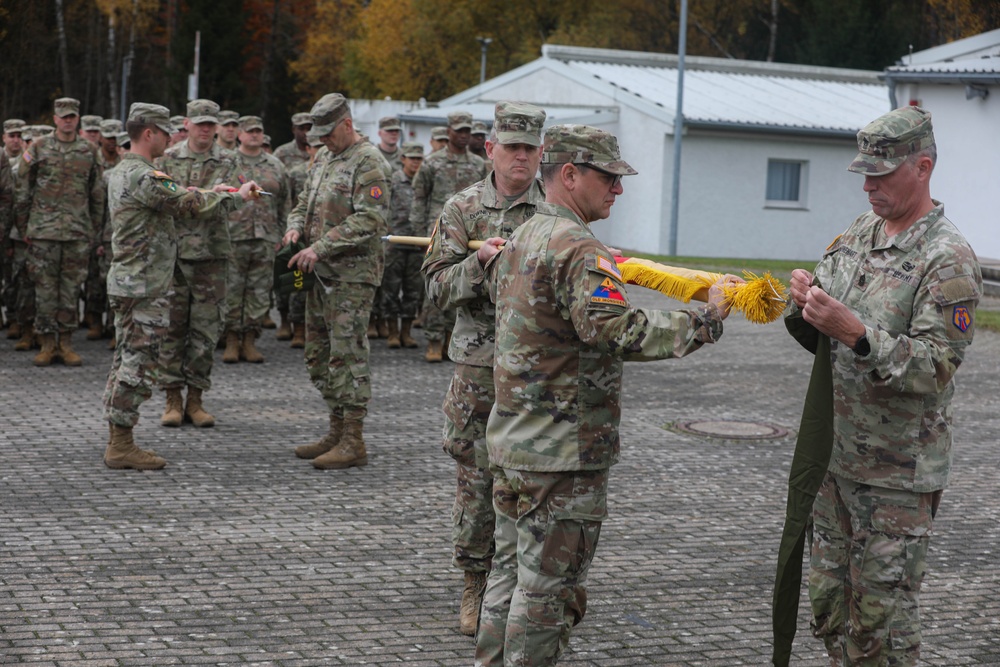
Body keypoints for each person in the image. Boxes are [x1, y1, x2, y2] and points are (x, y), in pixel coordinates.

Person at [475, 124, 737, 665]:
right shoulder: (578, 248)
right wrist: (706, 318)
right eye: (609, 177)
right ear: (570, 175)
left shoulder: (523, 234)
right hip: (561, 453)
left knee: (506, 575)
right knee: (547, 590)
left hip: (514, 439)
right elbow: (617, 330)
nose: (618, 189)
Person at [784, 106, 982, 666]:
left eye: (882, 173)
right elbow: (821, 335)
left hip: (896, 477)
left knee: (880, 625)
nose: (869, 186)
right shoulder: (857, 235)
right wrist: (804, 303)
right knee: (830, 608)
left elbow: (935, 365)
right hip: (837, 461)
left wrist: (856, 332)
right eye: (864, 174)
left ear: (922, 168)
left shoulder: (947, 259)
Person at [422, 101, 546, 636]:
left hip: (539, 369)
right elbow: (436, 286)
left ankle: (529, 585)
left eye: (530, 149)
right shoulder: (463, 207)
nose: (521, 157)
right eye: (511, 147)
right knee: (476, 480)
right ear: (490, 148)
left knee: (534, 479)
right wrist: (475, 264)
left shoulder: (556, 211)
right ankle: (475, 582)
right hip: (479, 368)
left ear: (541, 153)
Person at [102, 102, 257, 470]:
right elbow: (186, 203)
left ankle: (117, 438)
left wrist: (207, 190)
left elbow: (174, 194)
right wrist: (236, 195)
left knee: (124, 359)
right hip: (144, 285)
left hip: (130, 281)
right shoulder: (145, 175)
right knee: (138, 364)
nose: (171, 138)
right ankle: (121, 444)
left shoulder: (125, 171)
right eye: (164, 132)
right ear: (149, 133)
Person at [281, 93, 392, 470]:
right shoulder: (325, 158)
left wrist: (321, 247)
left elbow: (370, 219)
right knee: (318, 356)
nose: (324, 140)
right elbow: (302, 203)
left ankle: (353, 439)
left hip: (351, 278)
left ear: (347, 124)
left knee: (347, 355)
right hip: (319, 274)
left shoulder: (369, 162)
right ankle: (336, 428)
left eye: (329, 133)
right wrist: (295, 229)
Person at [156, 99, 237, 428]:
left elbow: (230, 202)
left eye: (209, 124)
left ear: (216, 127)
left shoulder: (229, 160)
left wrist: (191, 196)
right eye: (199, 123)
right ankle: (172, 398)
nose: (204, 129)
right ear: (186, 124)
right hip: (174, 257)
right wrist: (207, 194)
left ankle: (196, 399)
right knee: (171, 330)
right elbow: (163, 201)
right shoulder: (167, 159)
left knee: (206, 332)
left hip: (211, 258)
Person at [14, 97, 103, 367]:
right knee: (44, 289)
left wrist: (93, 229)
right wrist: (24, 226)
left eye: (72, 116)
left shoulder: (89, 150)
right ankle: (47, 343)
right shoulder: (39, 147)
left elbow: (96, 193)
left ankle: (65, 343)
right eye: (63, 117)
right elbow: (23, 188)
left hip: (76, 232)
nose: (67, 121)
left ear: (77, 119)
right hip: (43, 232)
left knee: (71, 289)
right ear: (55, 119)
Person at [409, 110, 487, 362]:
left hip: (469, 234)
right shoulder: (432, 163)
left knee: (463, 287)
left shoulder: (478, 164)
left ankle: (450, 339)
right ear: (449, 131)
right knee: (436, 285)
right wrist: (419, 232)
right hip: (437, 233)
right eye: (459, 131)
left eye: (467, 131)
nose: (464, 136)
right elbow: (419, 198)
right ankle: (433, 340)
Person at [222, 115, 290, 363]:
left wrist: (283, 234)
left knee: (259, 292)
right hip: (233, 236)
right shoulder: (227, 163)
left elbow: (285, 203)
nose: (254, 135)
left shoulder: (276, 165)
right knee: (231, 289)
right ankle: (231, 339)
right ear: (239, 134)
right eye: (249, 131)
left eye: (258, 131)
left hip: (266, 238)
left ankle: (250, 339)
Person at [381, 141, 424, 349]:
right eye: (412, 158)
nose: (416, 162)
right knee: (390, 288)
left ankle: (406, 332)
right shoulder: (393, 180)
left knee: (413, 290)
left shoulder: (424, 180)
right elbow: (382, 205)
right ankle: (392, 332)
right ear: (403, 159)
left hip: (417, 243)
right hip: (395, 241)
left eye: (419, 158)